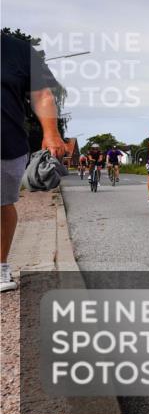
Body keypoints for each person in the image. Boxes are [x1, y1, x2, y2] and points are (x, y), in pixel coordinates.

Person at [1, 33, 65, 292]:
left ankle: (0, 266)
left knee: (2, 204)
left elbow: (42, 94)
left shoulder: (18, 50)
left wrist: (51, 133)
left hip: (7, 144)